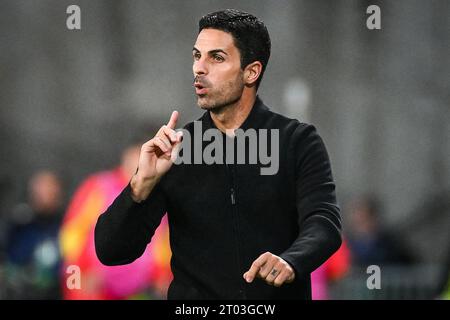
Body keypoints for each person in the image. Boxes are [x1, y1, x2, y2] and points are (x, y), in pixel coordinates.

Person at [95, 9, 342, 299]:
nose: (199, 68)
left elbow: (324, 223)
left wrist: (291, 260)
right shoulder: (178, 149)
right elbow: (112, 252)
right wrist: (139, 186)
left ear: (251, 72)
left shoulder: (296, 141)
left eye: (217, 58)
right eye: (197, 56)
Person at [59, 142, 172, 299]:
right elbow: (72, 233)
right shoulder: (99, 186)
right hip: (94, 288)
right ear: (127, 155)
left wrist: (162, 275)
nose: (144, 161)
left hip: (138, 291)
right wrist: (82, 271)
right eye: (140, 154)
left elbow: (163, 244)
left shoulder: (160, 195)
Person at [5, 170, 63, 299]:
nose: (46, 195)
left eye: (50, 190)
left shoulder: (66, 225)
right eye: (41, 190)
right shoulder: (19, 223)